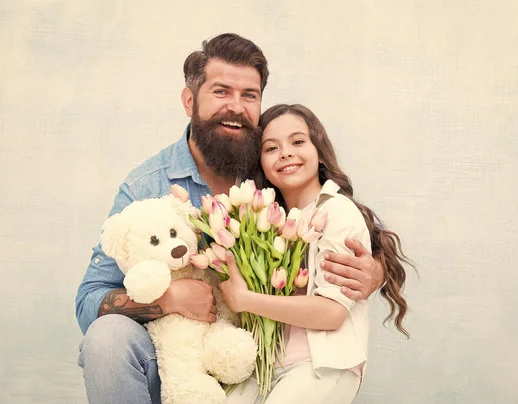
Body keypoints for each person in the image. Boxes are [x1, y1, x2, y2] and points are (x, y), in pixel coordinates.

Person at [75, 34, 384, 404]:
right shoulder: (148, 185)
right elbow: (89, 299)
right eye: (221, 91)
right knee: (106, 339)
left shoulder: (272, 164)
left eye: (249, 95)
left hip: (262, 360)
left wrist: (373, 271)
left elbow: (344, 228)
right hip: (179, 359)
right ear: (190, 101)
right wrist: (169, 299)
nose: (236, 107)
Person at [219, 104, 413, 404]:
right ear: (261, 163)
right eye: (271, 148)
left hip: (322, 365)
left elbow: (332, 312)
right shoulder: (264, 222)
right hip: (265, 366)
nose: (285, 153)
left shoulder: (336, 211)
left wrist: (245, 300)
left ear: (320, 152)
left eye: (298, 142)